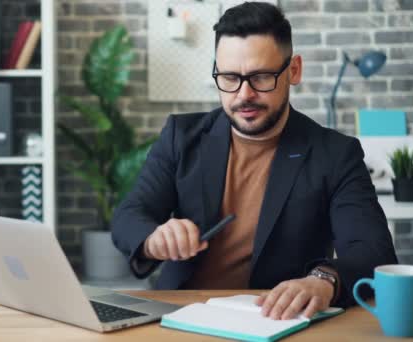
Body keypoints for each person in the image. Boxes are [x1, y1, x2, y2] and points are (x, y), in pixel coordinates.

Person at [111, 1, 397, 321]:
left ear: (293, 71)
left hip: (277, 318)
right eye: (230, 77)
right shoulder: (181, 136)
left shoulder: (335, 153)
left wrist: (324, 280)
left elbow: (373, 251)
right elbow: (129, 216)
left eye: (260, 77)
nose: (244, 94)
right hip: (179, 312)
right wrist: (153, 239)